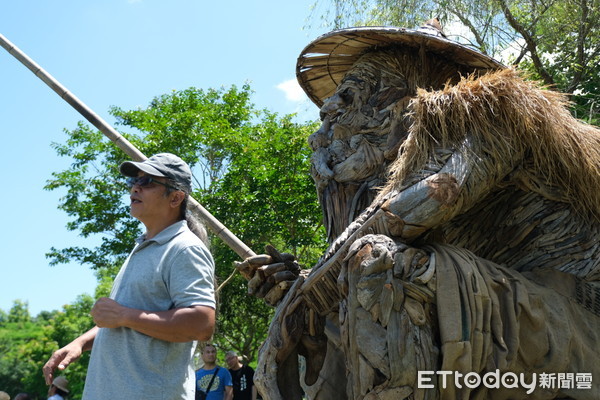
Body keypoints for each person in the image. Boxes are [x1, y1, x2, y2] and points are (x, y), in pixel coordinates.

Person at [239, 20, 600, 400]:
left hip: (575, 326)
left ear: (403, 103)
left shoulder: (490, 111)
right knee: (353, 285)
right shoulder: (388, 174)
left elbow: (425, 203)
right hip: (508, 327)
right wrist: (299, 287)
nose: (324, 128)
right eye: (328, 111)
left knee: (380, 263)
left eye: (348, 99)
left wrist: (306, 296)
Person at [42, 153, 217, 399]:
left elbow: (201, 324)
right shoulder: (143, 247)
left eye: (148, 182)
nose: (135, 187)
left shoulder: (184, 248)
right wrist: (80, 343)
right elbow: (126, 323)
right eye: (134, 182)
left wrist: (124, 315)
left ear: (176, 197)